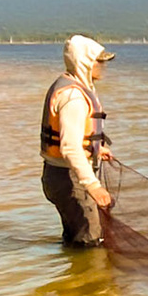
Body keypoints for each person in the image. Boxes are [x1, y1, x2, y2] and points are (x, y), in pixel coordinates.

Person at [40, 35, 116, 245]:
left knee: (76, 238)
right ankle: (90, 277)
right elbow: (70, 148)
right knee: (92, 239)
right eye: (99, 61)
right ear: (84, 62)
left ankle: (71, 275)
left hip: (61, 176)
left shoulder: (74, 87)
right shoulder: (73, 96)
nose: (103, 67)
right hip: (69, 179)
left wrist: (96, 148)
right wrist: (93, 186)